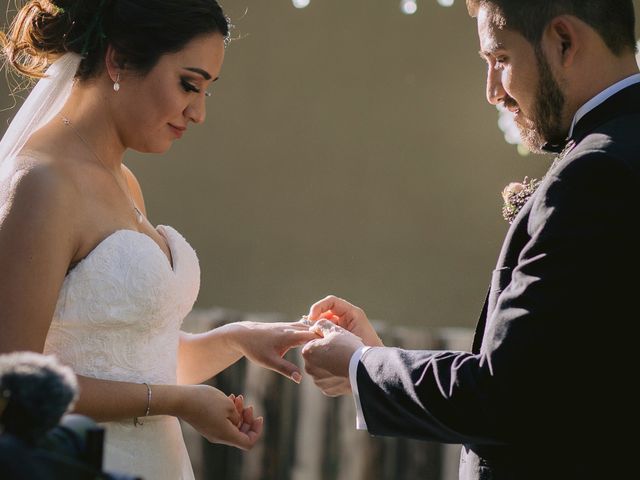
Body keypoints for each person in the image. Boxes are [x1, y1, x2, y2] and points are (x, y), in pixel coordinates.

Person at [301, 1, 640, 478]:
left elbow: (508, 396)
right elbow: (568, 371)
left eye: (499, 59)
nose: (492, 92)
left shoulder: (595, 174)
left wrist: (361, 364)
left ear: (564, 41)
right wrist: (376, 357)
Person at [0, 1, 317, 479]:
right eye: (189, 84)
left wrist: (237, 340)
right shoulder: (43, 184)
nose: (199, 112)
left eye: (208, 91)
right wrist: (176, 402)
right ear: (119, 59)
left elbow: (129, 358)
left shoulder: (123, 182)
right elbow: (12, 390)